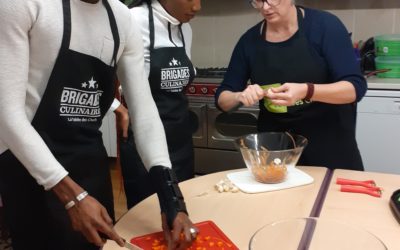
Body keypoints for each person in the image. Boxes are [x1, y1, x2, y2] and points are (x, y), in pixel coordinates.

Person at [0, 0, 198, 249]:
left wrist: (172, 201)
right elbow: (7, 114)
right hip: (28, 166)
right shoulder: (23, 5)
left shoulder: (121, 18)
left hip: (88, 162)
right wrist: (74, 198)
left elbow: (144, 112)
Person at [215, 0, 367, 171]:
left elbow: (355, 88)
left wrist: (306, 91)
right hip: (276, 153)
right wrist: (239, 96)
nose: (265, 7)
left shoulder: (325, 26)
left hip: (331, 146)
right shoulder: (249, 41)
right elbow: (222, 99)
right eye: (258, 1)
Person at [118, 0, 201, 208]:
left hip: (180, 138)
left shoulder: (186, 29)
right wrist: (116, 107)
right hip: (143, 142)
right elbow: (98, 74)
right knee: (147, 212)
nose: (197, 7)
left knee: (182, 208)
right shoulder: (132, 20)